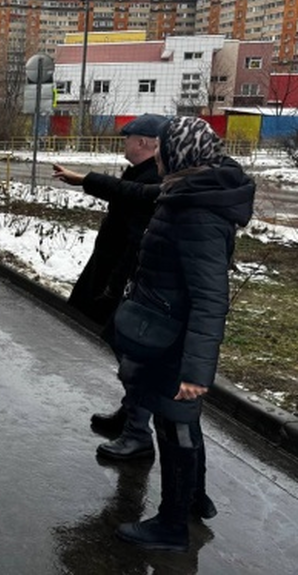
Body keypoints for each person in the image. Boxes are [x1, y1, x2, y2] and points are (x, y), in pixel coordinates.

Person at [115, 116, 255, 552]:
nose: (156, 155)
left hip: (174, 342)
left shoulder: (196, 211)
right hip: (167, 333)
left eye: (162, 148)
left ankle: (172, 526)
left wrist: (195, 371)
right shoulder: (187, 192)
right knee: (181, 425)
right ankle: (194, 500)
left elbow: (211, 297)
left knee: (175, 426)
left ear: (181, 153)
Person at [52, 113, 166, 461]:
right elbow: (124, 194)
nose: (124, 144)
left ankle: (138, 430)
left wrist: (84, 178)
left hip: (129, 276)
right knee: (120, 344)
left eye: (128, 139)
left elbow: (130, 197)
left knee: (130, 350)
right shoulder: (143, 173)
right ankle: (132, 414)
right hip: (116, 269)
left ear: (145, 142)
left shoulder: (157, 178)